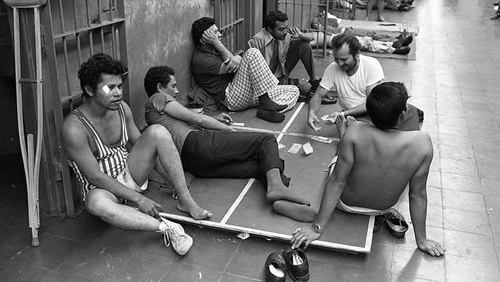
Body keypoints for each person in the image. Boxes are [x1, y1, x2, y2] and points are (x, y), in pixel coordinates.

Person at [62, 53, 212, 255]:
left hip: (129, 175)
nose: (117, 93)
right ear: (89, 90)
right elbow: (95, 177)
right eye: (110, 88)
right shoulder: (74, 128)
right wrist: (139, 199)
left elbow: (144, 144)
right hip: (102, 189)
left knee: (157, 131)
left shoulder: (122, 109)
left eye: (119, 86)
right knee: (95, 203)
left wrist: (171, 181)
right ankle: (166, 228)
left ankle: (186, 200)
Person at [288, 82, 446, 257]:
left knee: (340, 160)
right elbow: (418, 194)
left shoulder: (355, 130)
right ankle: (345, 141)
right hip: (383, 208)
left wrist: (316, 228)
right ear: (403, 114)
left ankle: (343, 138)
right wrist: (422, 240)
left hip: (346, 205)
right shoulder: (422, 143)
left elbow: (337, 182)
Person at [143, 66, 313, 221]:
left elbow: (182, 126)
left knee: (259, 165)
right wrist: (227, 130)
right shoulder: (157, 98)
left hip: (194, 165)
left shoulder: (153, 117)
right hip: (197, 143)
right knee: (266, 140)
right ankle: (277, 187)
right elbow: (199, 120)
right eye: (173, 86)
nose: (177, 90)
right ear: (159, 87)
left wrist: (174, 181)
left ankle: (280, 201)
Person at [190, 17, 299, 123]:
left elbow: (234, 61)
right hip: (232, 97)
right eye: (214, 33)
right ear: (203, 39)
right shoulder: (201, 60)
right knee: (252, 53)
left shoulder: (213, 48)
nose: (219, 35)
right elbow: (233, 66)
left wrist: (237, 58)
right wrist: (220, 46)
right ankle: (265, 102)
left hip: (245, 91)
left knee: (293, 90)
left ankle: (266, 110)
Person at [307, 33, 421, 132]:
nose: (340, 64)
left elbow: (371, 103)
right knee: (360, 132)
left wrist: (342, 114)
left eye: (344, 60)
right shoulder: (332, 69)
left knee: (409, 113)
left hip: (373, 112)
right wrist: (311, 113)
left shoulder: (371, 65)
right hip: (352, 115)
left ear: (356, 55)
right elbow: (318, 95)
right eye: (336, 59)